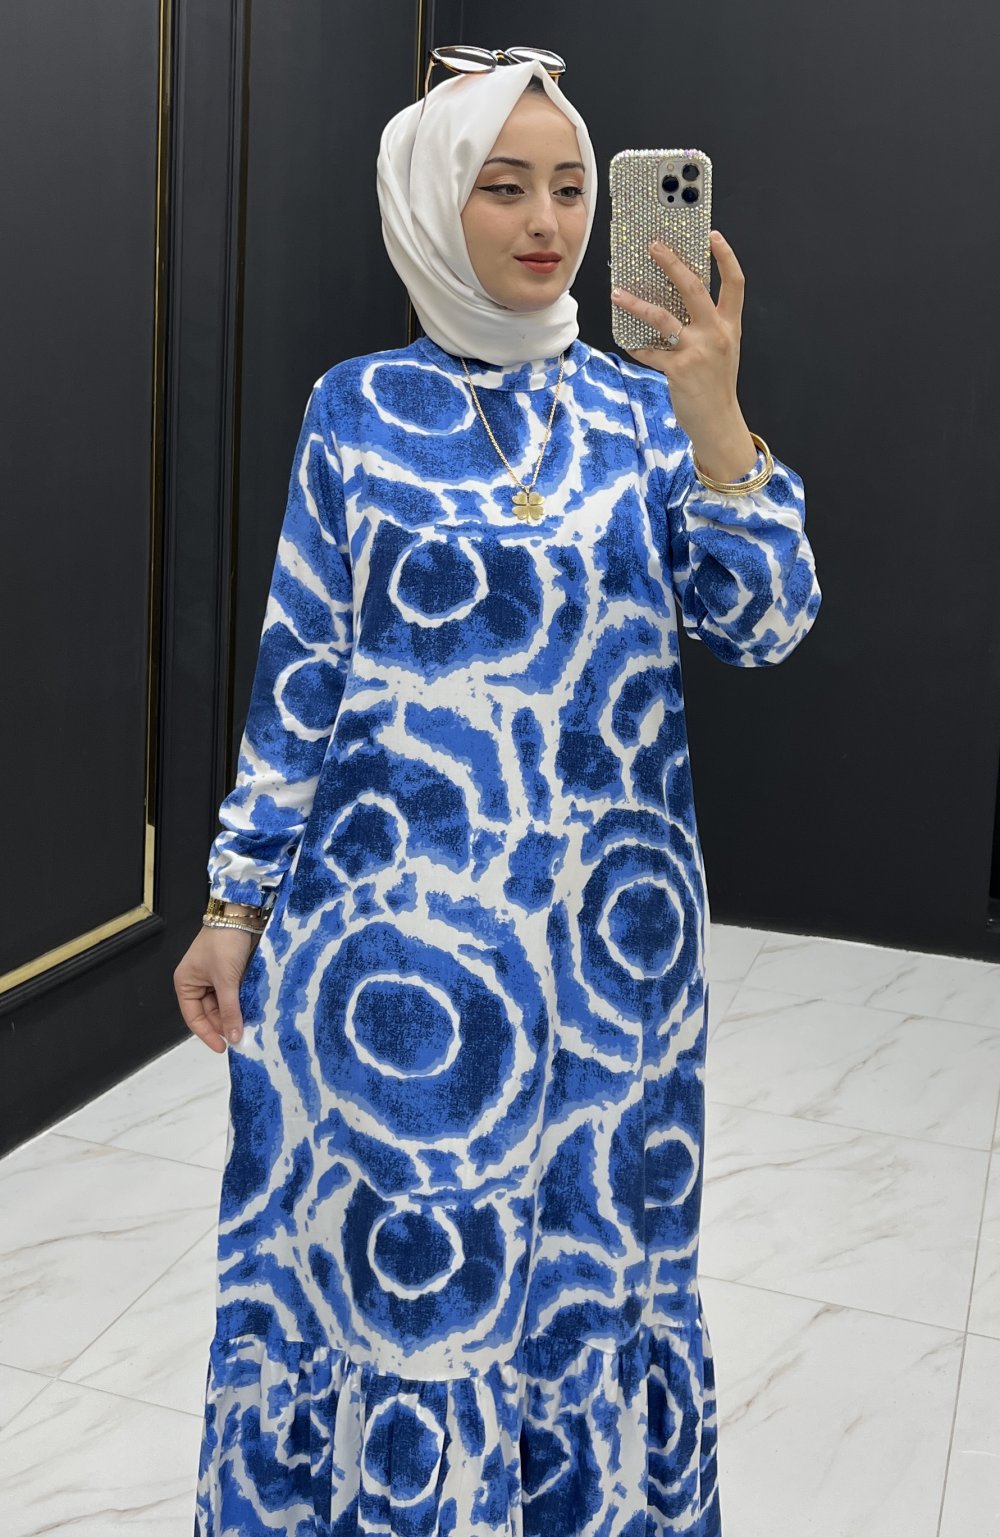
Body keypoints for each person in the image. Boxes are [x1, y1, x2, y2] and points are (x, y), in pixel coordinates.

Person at [176, 51, 821, 1537]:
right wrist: (233, 902)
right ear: (427, 200)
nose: (548, 222)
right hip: (393, 965)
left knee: (595, 1268)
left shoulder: (648, 413)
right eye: (504, 186)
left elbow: (767, 622)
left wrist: (719, 417)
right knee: (413, 1283)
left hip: (608, 966)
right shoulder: (355, 410)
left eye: (573, 187)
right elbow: (301, 675)